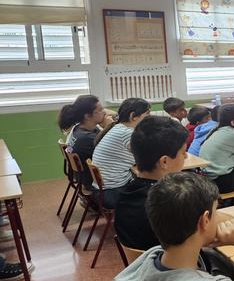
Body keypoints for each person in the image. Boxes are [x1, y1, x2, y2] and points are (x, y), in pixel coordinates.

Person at [114, 116, 189, 251]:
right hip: (175, 270)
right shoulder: (171, 203)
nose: (186, 157)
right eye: (183, 152)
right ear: (164, 161)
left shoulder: (125, 194)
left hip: (142, 269)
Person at [91, 98, 151, 209]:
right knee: (157, 191)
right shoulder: (127, 133)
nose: (150, 118)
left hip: (103, 190)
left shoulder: (118, 128)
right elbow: (146, 157)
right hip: (112, 193)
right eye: (147, 114)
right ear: (133, 116)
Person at [58, 95, 116, 191]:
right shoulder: (87, 138)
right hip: (93, 181)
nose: (105, 113)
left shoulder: (80, 128)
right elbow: (116, 150)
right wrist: (109, 127)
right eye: (101, 110)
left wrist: (112, 119)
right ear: (88, 116)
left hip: (84, 177)